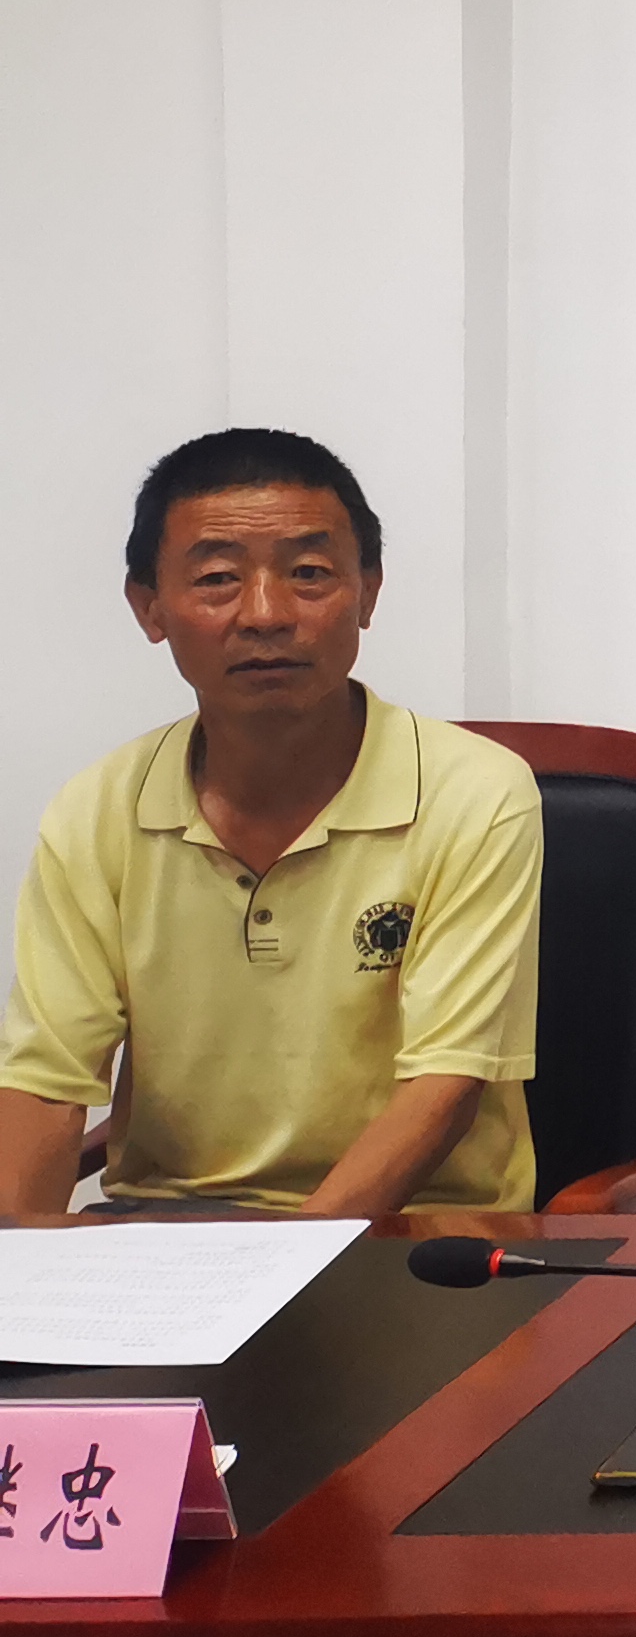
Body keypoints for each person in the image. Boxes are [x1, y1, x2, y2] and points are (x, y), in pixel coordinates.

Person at [0, 430, 543, 1218]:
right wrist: (21, 1257)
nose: (265, 614)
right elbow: (45, 1081)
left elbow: (445, 1085)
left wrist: (282, 1266)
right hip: (166, 1228)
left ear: (368, 593)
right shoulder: (98, 808)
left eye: (309, 574)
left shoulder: (476, 793)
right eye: (217, 579)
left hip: (413, 1233)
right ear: (150, 607)